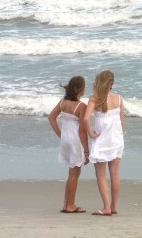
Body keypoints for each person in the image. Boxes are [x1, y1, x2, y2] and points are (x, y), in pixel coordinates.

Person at [84, 70, 124, 216]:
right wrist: (119, 136)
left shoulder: (95, 99)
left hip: (102, 140)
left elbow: (86, 119)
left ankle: (106, 207)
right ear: (111, 83)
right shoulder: (119, 99)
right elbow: (122, 122)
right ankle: (113, 206)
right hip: (117, 139)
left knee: (100, 174)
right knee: (114, 174)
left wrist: (90, 133)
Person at [48, 76, 89, 213]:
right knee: (74, 172)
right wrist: (87, 150)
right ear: (81, 90)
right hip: (75, 140)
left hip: (65, 139)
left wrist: (61, 134)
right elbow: (82, 131)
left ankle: (67, 203)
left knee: (72, 172)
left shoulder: (63, 102)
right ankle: (70, 205)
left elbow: (51, 117)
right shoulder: (81, 106)